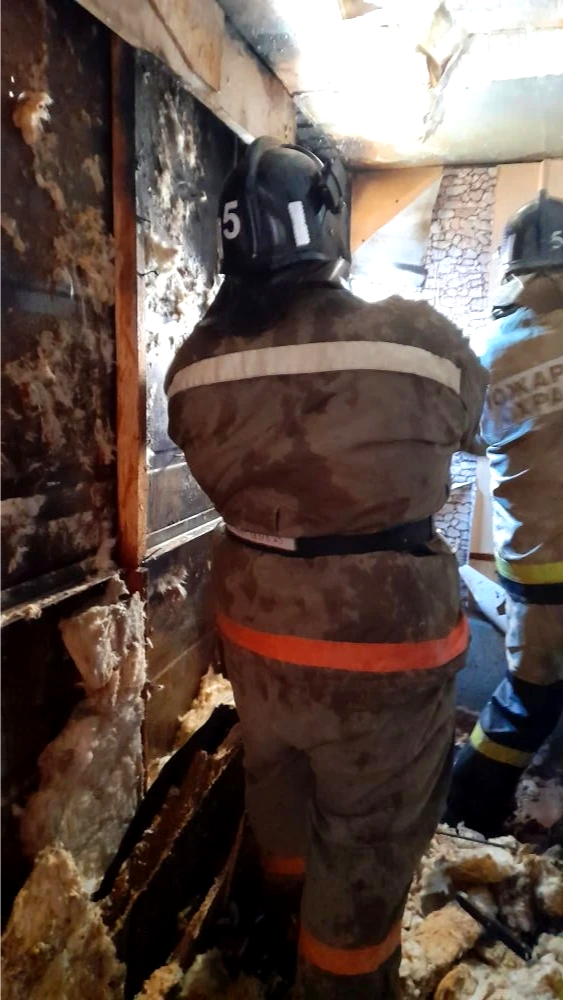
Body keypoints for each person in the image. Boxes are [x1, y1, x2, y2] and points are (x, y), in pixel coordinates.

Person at [166, 137, 487, 1000]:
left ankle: (277, 920)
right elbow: (473, 424)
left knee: (277, 778)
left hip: (258, 639)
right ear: (328, 223)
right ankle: (335, 979)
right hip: (384, 648)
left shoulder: (192, 367)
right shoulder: (417, 339)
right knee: (367, 841)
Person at [446, 190, 563, 838]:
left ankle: (463, 811)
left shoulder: (491, 348)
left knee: (529, 695)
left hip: (533, 564)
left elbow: (467, 438)